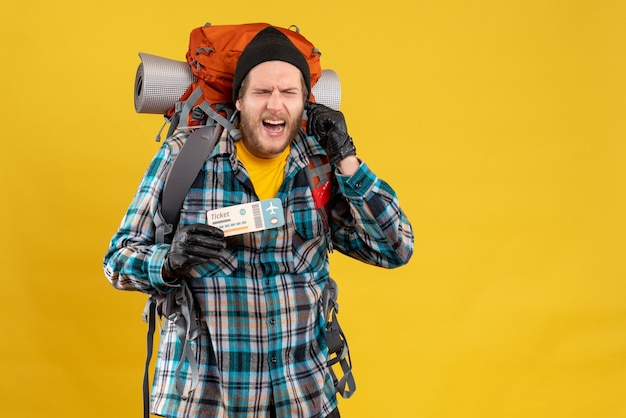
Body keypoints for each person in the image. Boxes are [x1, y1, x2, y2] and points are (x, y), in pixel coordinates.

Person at [104, 26, 414, 418]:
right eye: (262, 92)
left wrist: (346, 155)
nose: (275, 105)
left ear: (305, 104)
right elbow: (117, 261)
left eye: (289, 93)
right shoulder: (186, 154)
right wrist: (168, 260)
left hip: (304, 398)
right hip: (205, 403)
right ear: (239, 99)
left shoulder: (319, 163)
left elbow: (394, 247)